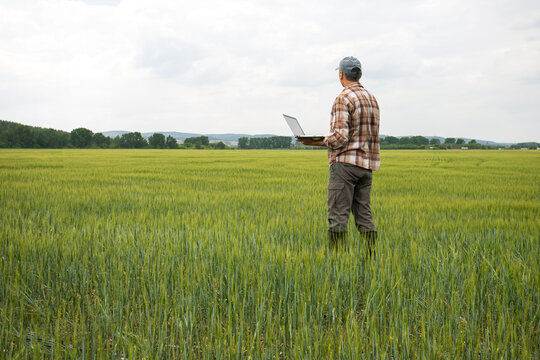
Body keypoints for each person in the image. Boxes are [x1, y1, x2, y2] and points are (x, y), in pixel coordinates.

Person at [296, 56, 380, 256]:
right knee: (364, 213)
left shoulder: (343, 98)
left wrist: (315, 142)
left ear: (341, 74)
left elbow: (340, 137)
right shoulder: (372, 98)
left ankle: (337, 262)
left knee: (338, 215)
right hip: (366, 166)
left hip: (345, 166)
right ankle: (372, 258)